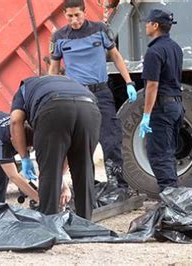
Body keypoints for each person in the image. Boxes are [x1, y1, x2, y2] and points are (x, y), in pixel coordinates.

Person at [48, 0, 136, 190]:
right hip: (77, 96)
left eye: (77, 15)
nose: (74, 20)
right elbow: (53, 69)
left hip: (101, 93)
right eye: (70, 16)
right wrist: (50, 93)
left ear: (84, 12)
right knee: (81, 144)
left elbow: (116, 55)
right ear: (65, 15)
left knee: (111, 141)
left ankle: (118, 187)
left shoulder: (100, 29)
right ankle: (86, 187)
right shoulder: (59, 37)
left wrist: (128, 81)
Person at [10, 75, 101, 220]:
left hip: (53, 108)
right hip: (90, 108)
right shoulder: (69, 81)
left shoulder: (23, 88)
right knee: (84, 168)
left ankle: (49, 223)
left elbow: (15, 121)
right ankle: (86, 222)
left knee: (49, 170)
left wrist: (24, 157)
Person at [0, 108, 72, 205]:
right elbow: (13, 176)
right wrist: (38, 199)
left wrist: (65, 188)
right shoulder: (0, 140)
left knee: (9, 166)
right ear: (13, 140)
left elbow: (52, 163)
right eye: (25, 148)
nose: (26, 151)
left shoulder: (31, 129)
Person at [139, 9, 184, 191]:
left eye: (147, 22)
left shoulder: (154, 51)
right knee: (169, 153)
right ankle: (174, 197)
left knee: (158, 155)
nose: (145, 25)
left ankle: (170, 200)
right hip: (176, 105)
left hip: (162, 108)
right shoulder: (175, 47)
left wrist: (146, 115)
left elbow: (152, 85)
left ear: (155, 25)